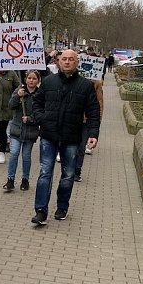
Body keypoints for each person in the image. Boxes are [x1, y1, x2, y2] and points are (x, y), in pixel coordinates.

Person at [29, 50, 100, 225]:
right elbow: (37, 103)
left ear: (77, 62)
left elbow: (93, 111)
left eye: (71, 60)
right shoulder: (48, 82)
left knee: (68, 174)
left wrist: (93, 134)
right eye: (64, 59)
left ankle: (62, 206)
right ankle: (40, 211)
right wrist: (41, 117)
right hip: (48, 134)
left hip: (72, 137)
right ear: (59, 61)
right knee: (45, 172)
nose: (67, 62)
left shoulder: (85, 86)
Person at [4, 70, 40, 191]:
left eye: (34, 78)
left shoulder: (40, 94)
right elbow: (10, 106)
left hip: (30, 131)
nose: (31, 80)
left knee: (26, 156)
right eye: (29, 78)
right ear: (25, 79)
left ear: (38, 81)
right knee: (14, 153)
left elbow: (41, 113)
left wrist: (30, 119)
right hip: (17, 129)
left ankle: (25, 179)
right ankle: (10, 179)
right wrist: (17, 96)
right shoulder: (20, 91)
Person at [74, 76, 104, 181]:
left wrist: (97, 120)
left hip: (86, 120)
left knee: (81, 146)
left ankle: (77, 170)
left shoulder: (96, 83)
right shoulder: (73, 80)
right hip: (72, 118)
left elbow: (99, 102)